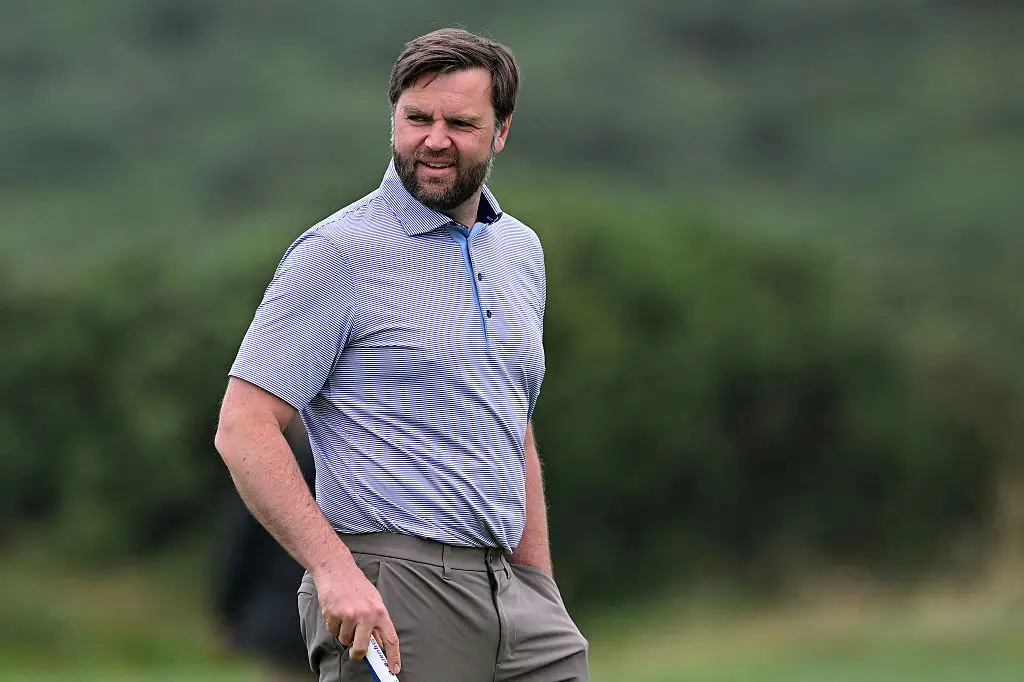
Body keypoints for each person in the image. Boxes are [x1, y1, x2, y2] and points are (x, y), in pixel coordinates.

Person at [214, 27, 589, 681]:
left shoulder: (521, 251)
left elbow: (512, 422)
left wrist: (538, 584)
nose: (434, 139)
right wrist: (333, 570)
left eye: (461, 123)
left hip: (516, 596)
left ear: (501, 131)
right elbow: (243, 426)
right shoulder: (336, 253)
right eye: (418, 118)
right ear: (395, 118)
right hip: (392, 586)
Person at [211, 415, 315, 681]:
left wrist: (227, 614)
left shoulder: (265, 474)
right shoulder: (354, 472)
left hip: (282, 618)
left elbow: (240, 551)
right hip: (328, 620)